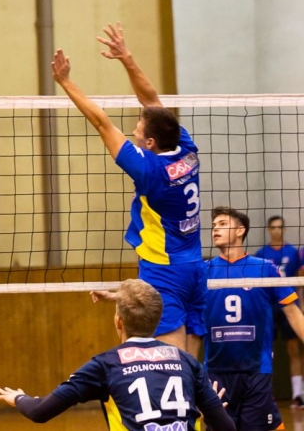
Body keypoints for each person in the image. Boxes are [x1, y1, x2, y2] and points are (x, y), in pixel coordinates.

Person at [56, 22, 206, 355]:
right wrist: (126, 58)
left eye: (138, 128)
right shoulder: (185, 147)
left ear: (150, 142)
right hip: (195, 267)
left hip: (164, 270)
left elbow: (101, 122)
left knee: (169, 362)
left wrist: (65, 81)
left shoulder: (150, 171)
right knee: (192, 368)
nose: (134, 130)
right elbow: (150, 99)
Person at [0, 279, 235, 431]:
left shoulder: (106, 365)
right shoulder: (186, 362)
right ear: (158, 320)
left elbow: (39, 412)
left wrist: (19, 398)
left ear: (118, 322)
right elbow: (227, 428)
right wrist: (209, 415)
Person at [206, 206, 304, 430]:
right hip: (216, 372)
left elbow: (293, 312)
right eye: (213, 226)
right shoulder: (204, 271)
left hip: (256, 371)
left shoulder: (264, 268)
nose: (215, 229)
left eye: (222, 224)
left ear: (240, 230)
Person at [255, 215, 304, 408]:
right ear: (269, 230)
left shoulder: (293, 252)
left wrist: (301, 305)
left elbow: (299, 282)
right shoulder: (261, 254)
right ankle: (265, 394)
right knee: (265, 351)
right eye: (273, 227)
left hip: (289, 307)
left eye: (280, 227)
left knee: (294, 349)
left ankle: (298, 395)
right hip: (268, 308)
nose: (277, 231)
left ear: (284, 229)